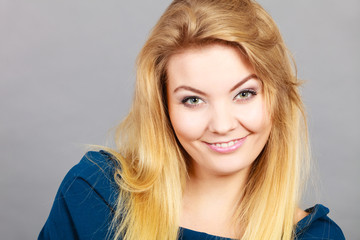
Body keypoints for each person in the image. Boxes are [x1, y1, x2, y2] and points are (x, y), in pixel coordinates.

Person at [39, 0, 345, 239]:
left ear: (277, 97)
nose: (222, 125)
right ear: (164, 108)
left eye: (244, 94)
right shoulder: (92, 194)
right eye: (193, 100)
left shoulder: (320, 237)